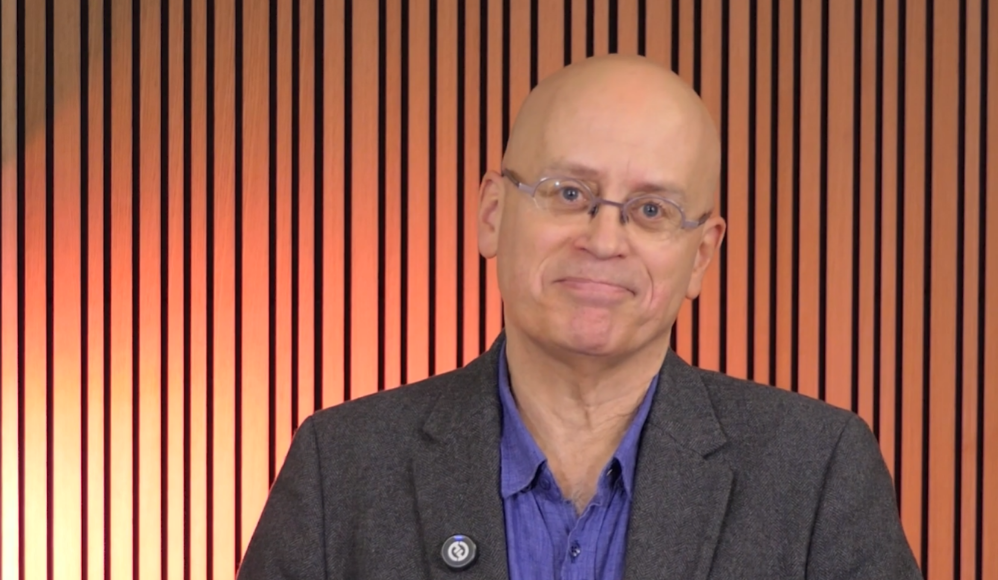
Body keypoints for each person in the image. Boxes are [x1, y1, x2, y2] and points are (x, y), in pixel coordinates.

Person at [237, 54, 922, 580]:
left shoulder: (817, 471)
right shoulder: (341, 467)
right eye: (569, 193)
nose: (603, 239)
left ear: (702, 256)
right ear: (492, 214)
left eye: (651, 209)